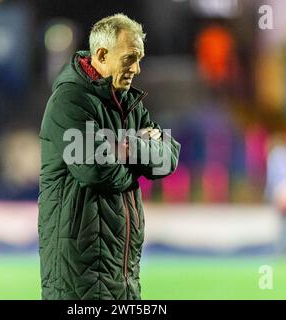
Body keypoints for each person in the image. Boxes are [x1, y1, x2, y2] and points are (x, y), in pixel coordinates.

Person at [38, 13, 181, 300]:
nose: (137, 68)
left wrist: (122, 146)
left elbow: (168, 158)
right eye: (130, 58)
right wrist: (137, 154)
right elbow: (95, 170)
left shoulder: (127, 101)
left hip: (122, 268)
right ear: (101, 55)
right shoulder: (70, 100)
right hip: (79, 274)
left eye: (139, 58)